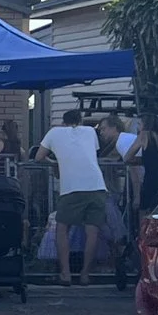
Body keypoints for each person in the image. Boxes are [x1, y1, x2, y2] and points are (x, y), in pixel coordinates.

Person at [36, 107, 109, 286]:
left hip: (71, 188)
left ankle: (65, 273)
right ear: (81, 120)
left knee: (62, 228)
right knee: (92, 231)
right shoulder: (90, 131)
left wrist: (54, 162)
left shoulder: (54, 132)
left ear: (63, 121)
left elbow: (38, 157)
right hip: (96, 185)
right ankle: (85, 274)